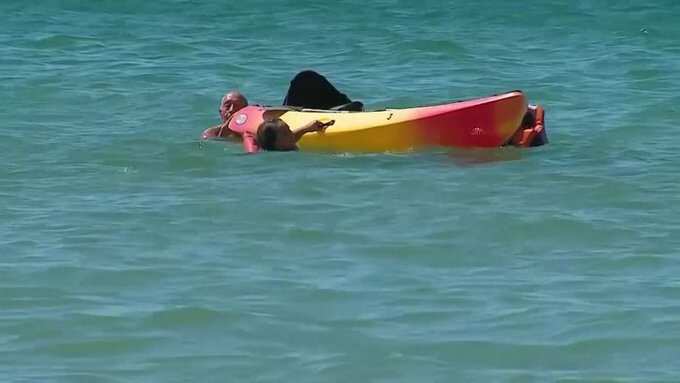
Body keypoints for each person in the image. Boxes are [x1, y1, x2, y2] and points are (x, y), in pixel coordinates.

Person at [201, 71, 360, 140]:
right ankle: (335, 113)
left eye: (237, 106)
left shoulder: (255, 116)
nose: (232, 109)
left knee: (305, 78)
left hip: (284, 115)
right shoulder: (214, 132)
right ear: (220, 111)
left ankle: (346, 108)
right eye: (227, 105)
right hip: (283, 126)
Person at [256, 118, 334, 151]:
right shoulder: (285, 158)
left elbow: (292, 137)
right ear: (276, 143)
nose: (291, 133)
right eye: (285, 133)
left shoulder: (283, 144)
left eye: (289, 129)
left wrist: (306, 129)